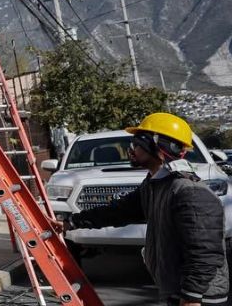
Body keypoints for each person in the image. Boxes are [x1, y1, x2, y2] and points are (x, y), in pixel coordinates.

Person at [66, 113, 228, 305]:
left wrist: (191, 297)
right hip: (177, 291)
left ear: (157, 145)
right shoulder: (156, 184)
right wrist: (70, 222)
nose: (131, 150)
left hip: (201, 298)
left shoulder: (190, 192)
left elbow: (205, 253)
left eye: (136, 143)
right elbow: (119, 211)